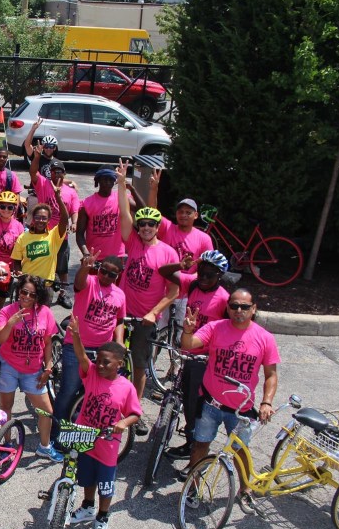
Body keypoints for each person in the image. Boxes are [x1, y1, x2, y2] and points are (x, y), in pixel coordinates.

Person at [180, 288, 279, 509]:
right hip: (210, 404)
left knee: (240, 451)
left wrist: (266, 402)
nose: (239, 311)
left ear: (254, 309)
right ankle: (194, 487)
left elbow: (271, 375)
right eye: (234, 306)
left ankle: (245, 489)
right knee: (200, 445)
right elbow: (188, 345)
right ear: (228, 307)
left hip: (241, 409)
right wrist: (187, 331)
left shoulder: (265, 338)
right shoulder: (216, 328)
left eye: (245, 306)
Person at [68, 315, 142, 529]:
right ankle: (88, 507)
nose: (99, 365)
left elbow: (135, 414)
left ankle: (102, 517)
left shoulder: (126, 387)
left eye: (106, 362)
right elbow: (81, 357)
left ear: (119, 364)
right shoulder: (91, 374)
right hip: (84, 434)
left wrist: (123, 424)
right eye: (98, 360)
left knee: (106, 484)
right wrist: (77, 335)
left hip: (108, 443)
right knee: (86, 477)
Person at [116, 159, 180, 407]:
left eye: (150, 224)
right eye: (141, 224)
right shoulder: (132, 243)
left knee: (139, 365)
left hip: (146, 318)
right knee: (114, 356)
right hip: (123, 312)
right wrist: (122, 184)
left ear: (157, 227)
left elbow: (173, 291)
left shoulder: (168, 253)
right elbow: (124, 213)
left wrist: (154, 313)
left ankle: (134, 407)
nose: (144, 228)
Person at [158, 250, 231, 460]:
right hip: (188, 354)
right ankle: (191, 442)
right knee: (186, 401)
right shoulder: (193, 283)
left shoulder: (224, 299)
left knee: (195, 405)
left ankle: (195, 449)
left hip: (206, 359)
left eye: (210, 275)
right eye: (201, 272)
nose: (204, 278)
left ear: (220, 276)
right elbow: (163, 271)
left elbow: (230, 329)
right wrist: (182, 265)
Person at [52, 249, 128, 446]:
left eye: (113, 274)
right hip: (76, 347)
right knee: (69, 391)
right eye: (103, 270)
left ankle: (79, 434)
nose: (106, 276)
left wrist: (119, 341)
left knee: (91, 394)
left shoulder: (120, 294)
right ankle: (57, 436)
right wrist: (85, 268)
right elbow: (78, 283)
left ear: (118, 276)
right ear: (99, 269)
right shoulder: (89, 283)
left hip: (103, 351)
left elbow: (119, 320)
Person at [0, 274, 61, 462]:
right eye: (24, 292)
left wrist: (48, 367)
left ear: (38, 296)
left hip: (33, 370)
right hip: (8, 365)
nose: (27, 297)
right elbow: (0, 339)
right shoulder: (7, 311)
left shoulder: (45, 312)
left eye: (33, 294)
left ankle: (45, 447)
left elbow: (48, 342)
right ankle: (6, 444)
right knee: (6, 407)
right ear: (18, 291)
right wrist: (11, 322)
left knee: (46, 410)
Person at [29, 150, 80, 308]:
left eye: (60, 171)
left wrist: (74, 222)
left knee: (62, 268)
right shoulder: (44, 184)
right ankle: (36, 291)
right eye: (53, 171)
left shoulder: (70, 192)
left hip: (60, 235)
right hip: (43, 235)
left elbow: (74, 210)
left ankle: (63, 294)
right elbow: (32, 172)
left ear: (64, 174)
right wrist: (37, 157)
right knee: (39, 265)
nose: (57, 174)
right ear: (49, 173)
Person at [10, 180, 71, 289]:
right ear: (33, 219)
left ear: (48, 221)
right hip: (27, 285)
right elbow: (17, 261)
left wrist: (58, 198)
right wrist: (18, 273)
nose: (40, 220)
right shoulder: (23, 237)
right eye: (37, 217)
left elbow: (65, 219)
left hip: (46, 286)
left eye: (44, 218)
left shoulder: (54, 236)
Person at [77, 167, 127, 259]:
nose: (108, 182)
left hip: (117, 257)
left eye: (111, 179)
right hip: (94, 257)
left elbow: (141, 208)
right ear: (98, 180)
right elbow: (79, 234)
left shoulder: (120, 198)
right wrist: (86, 254)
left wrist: (130, 188)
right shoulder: (87, 204)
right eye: (105, 179)